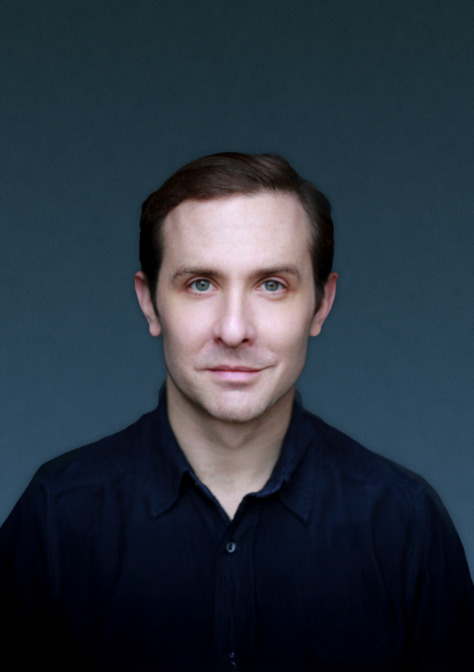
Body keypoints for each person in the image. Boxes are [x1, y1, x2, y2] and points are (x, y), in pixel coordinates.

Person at [0, 152, 473, 672]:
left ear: (320, 304)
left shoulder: (405, 523)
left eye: (272, 285)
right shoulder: (57, 514)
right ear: (150, 302)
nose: (233, 330)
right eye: (200, 283)